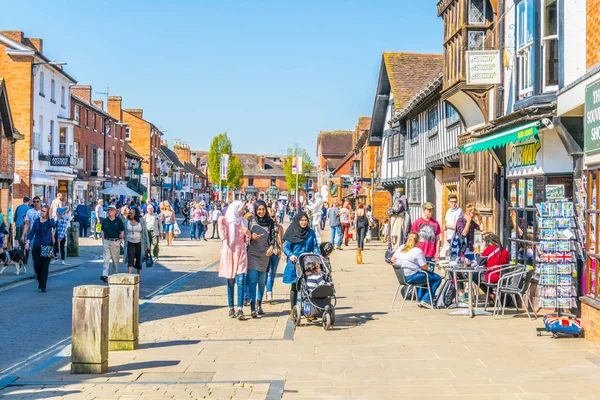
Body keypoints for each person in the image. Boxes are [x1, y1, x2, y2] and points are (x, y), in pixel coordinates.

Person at [282, 211, 320, 319]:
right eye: (302, 220)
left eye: (305, 220)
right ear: (298, 221)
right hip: (295, 263)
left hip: (307, 262)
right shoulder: (292, 231)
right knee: (295, 286)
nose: (304, 222)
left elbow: (315, 246)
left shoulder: (311, 233)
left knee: (307, 287)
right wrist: (290, 255)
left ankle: (308, 311)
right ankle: (292, 309)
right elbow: (286, 247)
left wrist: (318, 256)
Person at [391, 232, 442, 308]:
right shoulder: (417, 251)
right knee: (437, 278)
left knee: (424, 276)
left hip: (402, 276)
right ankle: (426, 300)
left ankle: (420, 299)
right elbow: (424, 267)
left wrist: (403, 266)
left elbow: (393, 260)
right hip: (412, 277)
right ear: (418, 241)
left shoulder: (401, 247)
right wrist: (429, 269)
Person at [218, 200, 250, 320]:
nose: (243, 210)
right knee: (231, 281)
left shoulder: (243, 221)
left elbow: (246, 239)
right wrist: (221, 221)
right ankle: (231, 307)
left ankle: (240, 308)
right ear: (235, 209)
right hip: (230, 253)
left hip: (241, 252)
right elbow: (222, 235)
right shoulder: (226, 221)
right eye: (242, 208)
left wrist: (248, 234)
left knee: (241, 279)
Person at [247, 200, 277, 317]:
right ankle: (252, 307)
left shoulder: (270, 222)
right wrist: (250, 236)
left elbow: (273, 237)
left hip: (265, 255)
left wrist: (271, 247)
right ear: (255, 210)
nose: (261, 212)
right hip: (252, 253)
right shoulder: (250, 221)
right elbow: (245, 235)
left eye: (263, 209)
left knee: (261, 282)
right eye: (258, 209)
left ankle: (259, 304)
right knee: (253, 280)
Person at [25, 205, 56, 292]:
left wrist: (50, 216)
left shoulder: (50, 221)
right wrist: (28, 242)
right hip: (37, 246)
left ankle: (43, 286)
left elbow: (53, 224)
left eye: (43, 211)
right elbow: (32, 233)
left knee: (44, 267)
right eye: (41, 210)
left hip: (47, 246)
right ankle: (40, 281)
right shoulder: (37, 221)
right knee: (37, 266)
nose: (41, 212)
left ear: (47, 213)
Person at [100, 205, 124, 282]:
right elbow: (102, 230)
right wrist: (103, 239)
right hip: (107, 241)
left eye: (110, 210)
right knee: (106, 259)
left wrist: (121, 237)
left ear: (114, 211)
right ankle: (105, 275)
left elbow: (122, 230)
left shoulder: (118, 221)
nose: (109, 211)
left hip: (115, 241)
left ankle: (115, 275)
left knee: (115, 260)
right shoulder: (105, 220)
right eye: (108, 210)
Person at [123, 207, 150, 276]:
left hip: (140, 243)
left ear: (136, 214)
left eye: (132, 213)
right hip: (129, 242)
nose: (130, 214)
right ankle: (129, 275)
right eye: (129, 213)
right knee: (130, 259)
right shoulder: (126, 221)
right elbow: (124, 232)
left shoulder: (141, 221)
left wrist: (148, 244)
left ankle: (138, 275)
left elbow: (145, 233)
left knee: (139, 259)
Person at [266, 207, 283, 304]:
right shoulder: (265, 226)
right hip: (267, 252)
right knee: (268, 274)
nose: (273, 218)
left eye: (274, 216)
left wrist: (283, 252)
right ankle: (269, 293)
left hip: (276, 252)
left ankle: (269, 291)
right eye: (270, 216)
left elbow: (282, 240)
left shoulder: (279, 227)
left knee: (272, 274)